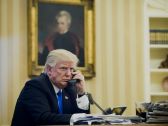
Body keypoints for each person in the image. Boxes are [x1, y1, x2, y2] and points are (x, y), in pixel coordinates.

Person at [12, 49, 90, 126]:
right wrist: (76, 118)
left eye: (71, 69)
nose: (68, 74)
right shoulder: (35, 86)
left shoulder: (69, 88)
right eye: (63, 68)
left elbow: (84, 120)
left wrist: (81, 92)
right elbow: (43, 118)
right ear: (49, 70)